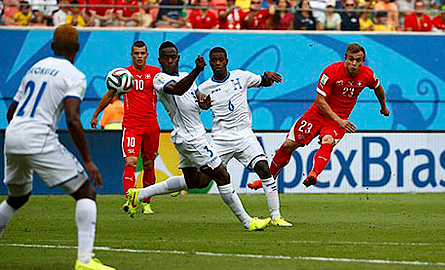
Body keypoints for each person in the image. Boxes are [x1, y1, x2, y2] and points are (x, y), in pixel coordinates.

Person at [0, 25, 115, 270]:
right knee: (85, 192)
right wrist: (87, 160)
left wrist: (21, 134)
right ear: (77, 48)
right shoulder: (74, 75)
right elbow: (73, 118)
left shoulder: (35, 68)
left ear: (52, 46)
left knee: (17, 197)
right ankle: (85, 261)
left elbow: (12, 110)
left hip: (13, 135)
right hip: (38, 137)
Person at [125, 41, 271, 231]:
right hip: (191, 138)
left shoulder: (187, 77)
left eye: (173, 56)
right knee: (222, 175)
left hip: (189, 136)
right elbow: (177, 89)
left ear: (178, 58)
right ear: (160, 60)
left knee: (194, 181)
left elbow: (198, 102)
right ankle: (247, 221)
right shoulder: (159, 79)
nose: (170, 60)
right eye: (166, 57)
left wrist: (204, 103)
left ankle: (139, 194)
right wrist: (196, 70)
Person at [248, 43, 389, 190]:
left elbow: (378, 88)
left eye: (358, 60)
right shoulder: (331, 72)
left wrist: (383, 106)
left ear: (363, 61)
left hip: (338, 119)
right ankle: (268, 179)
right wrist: (339, 120)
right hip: (317, 114)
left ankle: (314, 174)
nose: (354, 64)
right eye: (351, 59)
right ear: (345, 58)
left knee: (328, 140)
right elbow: (320, 101)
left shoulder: (368, 75)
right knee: (288, 145)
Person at [196, 47, 291, 226]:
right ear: (209, 63)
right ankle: (155, 191)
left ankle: (276, 216)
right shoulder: (203, 88)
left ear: (226, 61)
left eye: (221, 60)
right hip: (221, 139)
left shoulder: (241, 76)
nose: (217, 63)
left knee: (264, 168)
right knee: (201, 182)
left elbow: (264, 81)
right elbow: (196, 111)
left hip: (244, 135)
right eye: (214, 60)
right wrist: (204, 106)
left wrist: (267, 76)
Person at [91, 41, 161, 214]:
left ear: (147, 55)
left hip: (151, 124)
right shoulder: (125, 75)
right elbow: (110, 95)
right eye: (136, 53)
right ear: (131, 55)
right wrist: (95, 114)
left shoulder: (156, 74)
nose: (139, 56)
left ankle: (147, 203)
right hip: (131, 125)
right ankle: (130, 200)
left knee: (149, 164)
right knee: (130, 161)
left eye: (142, 53)